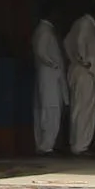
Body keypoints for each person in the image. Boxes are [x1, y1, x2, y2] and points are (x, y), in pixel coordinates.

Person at [63, 12, 95, 156]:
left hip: (79, 71)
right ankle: (80, 146)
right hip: (85, 73)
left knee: (79, 109)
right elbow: (80, 42)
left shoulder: (78, 23)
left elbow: (67, 41)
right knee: (84, 110)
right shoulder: (85, 24)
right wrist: (84, 61)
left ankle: (78, 144)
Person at [30, 16, 65, 156]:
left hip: (47, 75)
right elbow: (41, 51)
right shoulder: (45, 31)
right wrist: (54, 64)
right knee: (51, 110)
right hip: (49, 76)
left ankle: (43, 144)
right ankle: (46, 146)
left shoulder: (42, 30)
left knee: (44, 110)